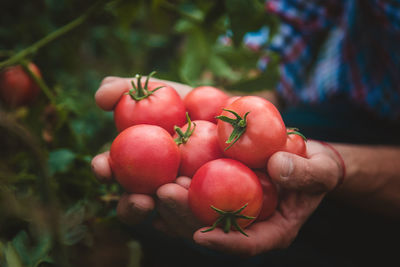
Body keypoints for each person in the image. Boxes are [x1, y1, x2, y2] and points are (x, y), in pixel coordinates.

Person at [91, 1, 400, 266]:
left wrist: (340, 165)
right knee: (155, 223)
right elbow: (290, 17)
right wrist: (232, 97)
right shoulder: (234, 126)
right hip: (342, 104)